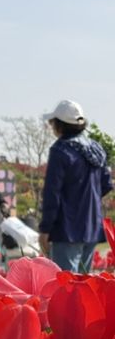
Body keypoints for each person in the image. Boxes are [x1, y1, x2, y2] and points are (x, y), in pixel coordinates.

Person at [39, 100, 113, 271]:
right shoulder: (95, 148)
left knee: (66, 281)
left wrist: (45, 228)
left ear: (60, 125)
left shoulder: (60, 150)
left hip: (66, 228)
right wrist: (87, 200)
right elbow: (106, 184)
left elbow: (52, 193)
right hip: (91, 225)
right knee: (84, 281)